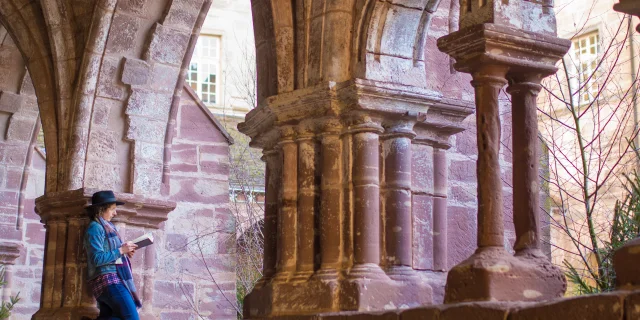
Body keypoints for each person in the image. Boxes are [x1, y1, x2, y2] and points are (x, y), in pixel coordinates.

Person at [84, 190, 140, 320]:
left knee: (115, 317)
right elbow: (96, 259)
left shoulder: (108, 227)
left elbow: (110, 252)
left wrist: (125, 250)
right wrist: (120, 251)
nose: (116, 213)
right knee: (132, 318)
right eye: (112, 209)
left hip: (113, 278)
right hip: (108, 280)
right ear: (101, 210)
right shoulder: (95, 228)